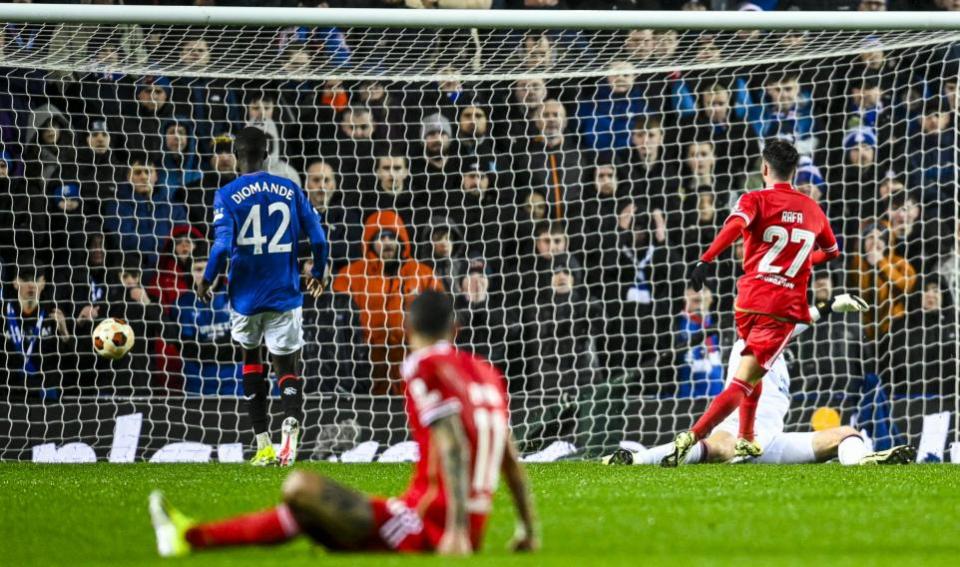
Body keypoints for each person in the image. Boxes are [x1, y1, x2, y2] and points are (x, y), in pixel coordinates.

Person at [149, 290, 538, 558]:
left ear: (409, 330)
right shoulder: (486, 374)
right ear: (455, 330)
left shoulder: (423, 365)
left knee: (300, 485)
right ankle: (187, 537)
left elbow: (452, 444)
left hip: (426, 524)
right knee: (308, 512)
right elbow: (509, 459)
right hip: (462, 522)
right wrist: (528, 530)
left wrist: (453, 532)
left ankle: (188, 536)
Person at [664, 140, 840, 467]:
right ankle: (692, 435)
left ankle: (745, 439)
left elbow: (734, 226)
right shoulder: (814, 210)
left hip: (747, 301)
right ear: (796, 171)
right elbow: (833, 252)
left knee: (753, 371)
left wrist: (706, 259)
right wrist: (802, 261)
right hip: (782, 307)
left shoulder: (754, 198)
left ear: (764, 169)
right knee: (744, 380)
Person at [604, 293, 916, 467]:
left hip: (771, 443)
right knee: (717, 448)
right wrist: (826, 307)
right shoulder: (748, 347)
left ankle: (862, 463)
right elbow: (794, 324)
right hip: (740, 436)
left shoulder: (776, 347)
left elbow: (799, 323)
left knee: (847, 434)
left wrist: (830, 305)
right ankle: (636, 459)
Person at [197, 126, 330, 467]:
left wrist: (207, 279)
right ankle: (291, 425)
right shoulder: (290, 189)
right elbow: (319, 239)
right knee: (286, 366)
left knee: (251, 361)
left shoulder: (226, 194)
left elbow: (222, 247)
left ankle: (262, 444)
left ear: (235, 157)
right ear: (267, 155)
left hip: (245, 297)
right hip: (285, 292)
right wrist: (316, 273)